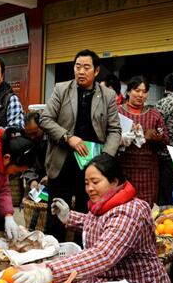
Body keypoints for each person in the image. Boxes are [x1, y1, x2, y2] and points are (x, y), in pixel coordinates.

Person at [13, 154, 173, 283]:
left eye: (95, 182)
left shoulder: (130, 212)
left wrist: (50, 272)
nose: (89, 188)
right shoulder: (104, 204)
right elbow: (103, 225)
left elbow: (104, 254)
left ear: (115, 182)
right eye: (86, 183)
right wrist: (70, 217)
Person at [39, 49, 122, 242]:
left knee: (88, 211)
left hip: (91, 163)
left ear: (96, 71)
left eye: (86, 67)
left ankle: (83, 253)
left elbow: (114, 130)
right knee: (57, 210)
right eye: (77, 67)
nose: (81, 71)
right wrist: (68, 138)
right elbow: (45, 119)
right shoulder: (61, 89)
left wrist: (105, 159)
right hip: (62, 159)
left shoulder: (107, 95)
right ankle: (53, 254)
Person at [117, 75, 169, 206]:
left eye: (144, 91)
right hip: (123, 167)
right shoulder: (117, 112)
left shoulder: (154, 115)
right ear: (128, 91)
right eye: (137, 90)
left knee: (148, 207)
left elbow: (166, 142)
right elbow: (107, 137)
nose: (141, 95)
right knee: (124, 205)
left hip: (148, 170)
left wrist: (157, 138)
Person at [21, 112, 47, 193]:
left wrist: (51, 177)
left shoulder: (52, 138)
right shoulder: (25, 139)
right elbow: (25, 163)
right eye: (29, 134)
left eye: (35, 133)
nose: (32, 137)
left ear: (42, 127)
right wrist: (32, 180)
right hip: (36, 179)